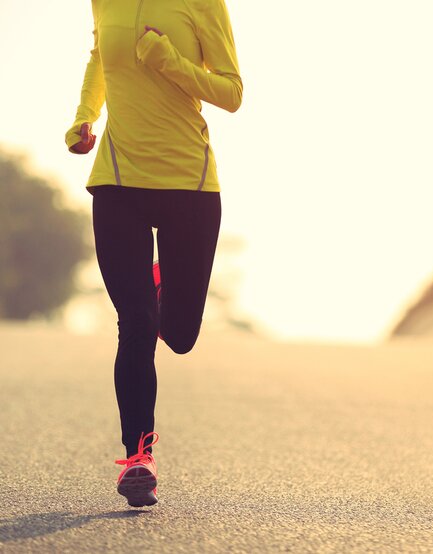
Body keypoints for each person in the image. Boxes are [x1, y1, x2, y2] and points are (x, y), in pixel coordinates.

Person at [65, 0, 242, 507]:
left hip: (190, 184)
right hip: (118, 181)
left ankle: (162, 287)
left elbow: (232, 93)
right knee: (137, 323)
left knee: (179, 336)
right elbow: (100, 59)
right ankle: (137, 457)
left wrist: (169, 63)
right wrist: (82, 119)